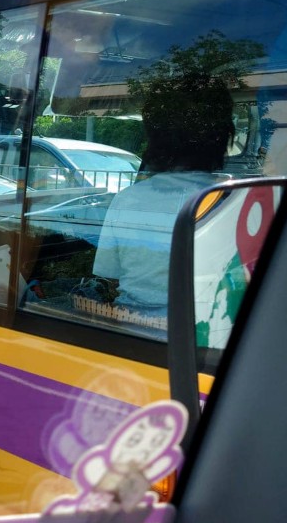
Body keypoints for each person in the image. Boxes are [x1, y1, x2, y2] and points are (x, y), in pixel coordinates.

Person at [92, 32, 240, 319]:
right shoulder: (231, 200)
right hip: (207, 334)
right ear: (222, 137)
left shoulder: (127, 200)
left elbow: (109, 277)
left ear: (155, 137)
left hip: (131, 332)